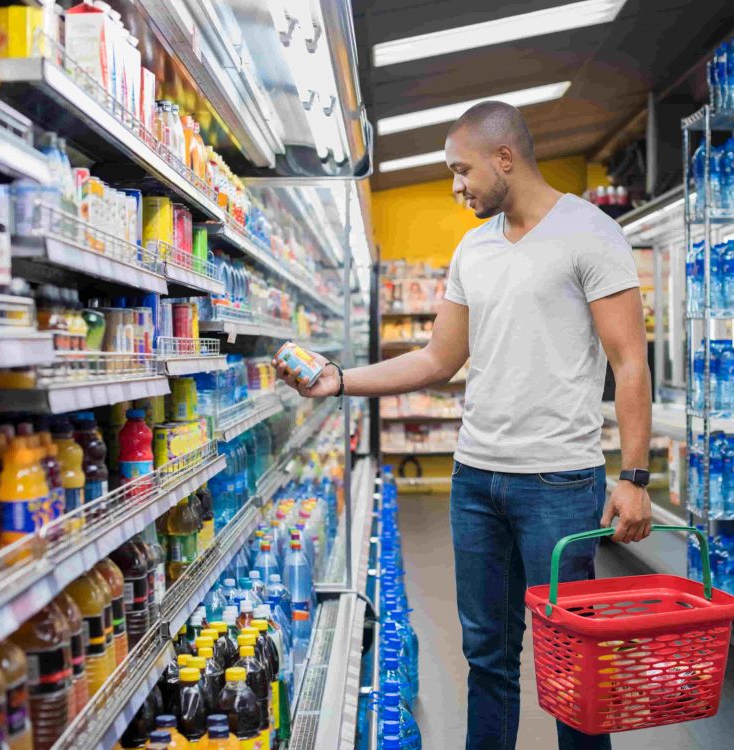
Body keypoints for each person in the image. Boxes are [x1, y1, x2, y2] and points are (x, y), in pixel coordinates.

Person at [275, 101, 652, 750]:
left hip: (559, 482)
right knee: (486, 657)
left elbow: (629, 360)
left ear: (504, 158)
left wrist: (636, 477)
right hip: (476, 478)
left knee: (570, 659)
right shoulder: (472, 248)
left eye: (461, 170)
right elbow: (436, 359)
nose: (455, 187)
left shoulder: (590, 233)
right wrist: (339, 381)